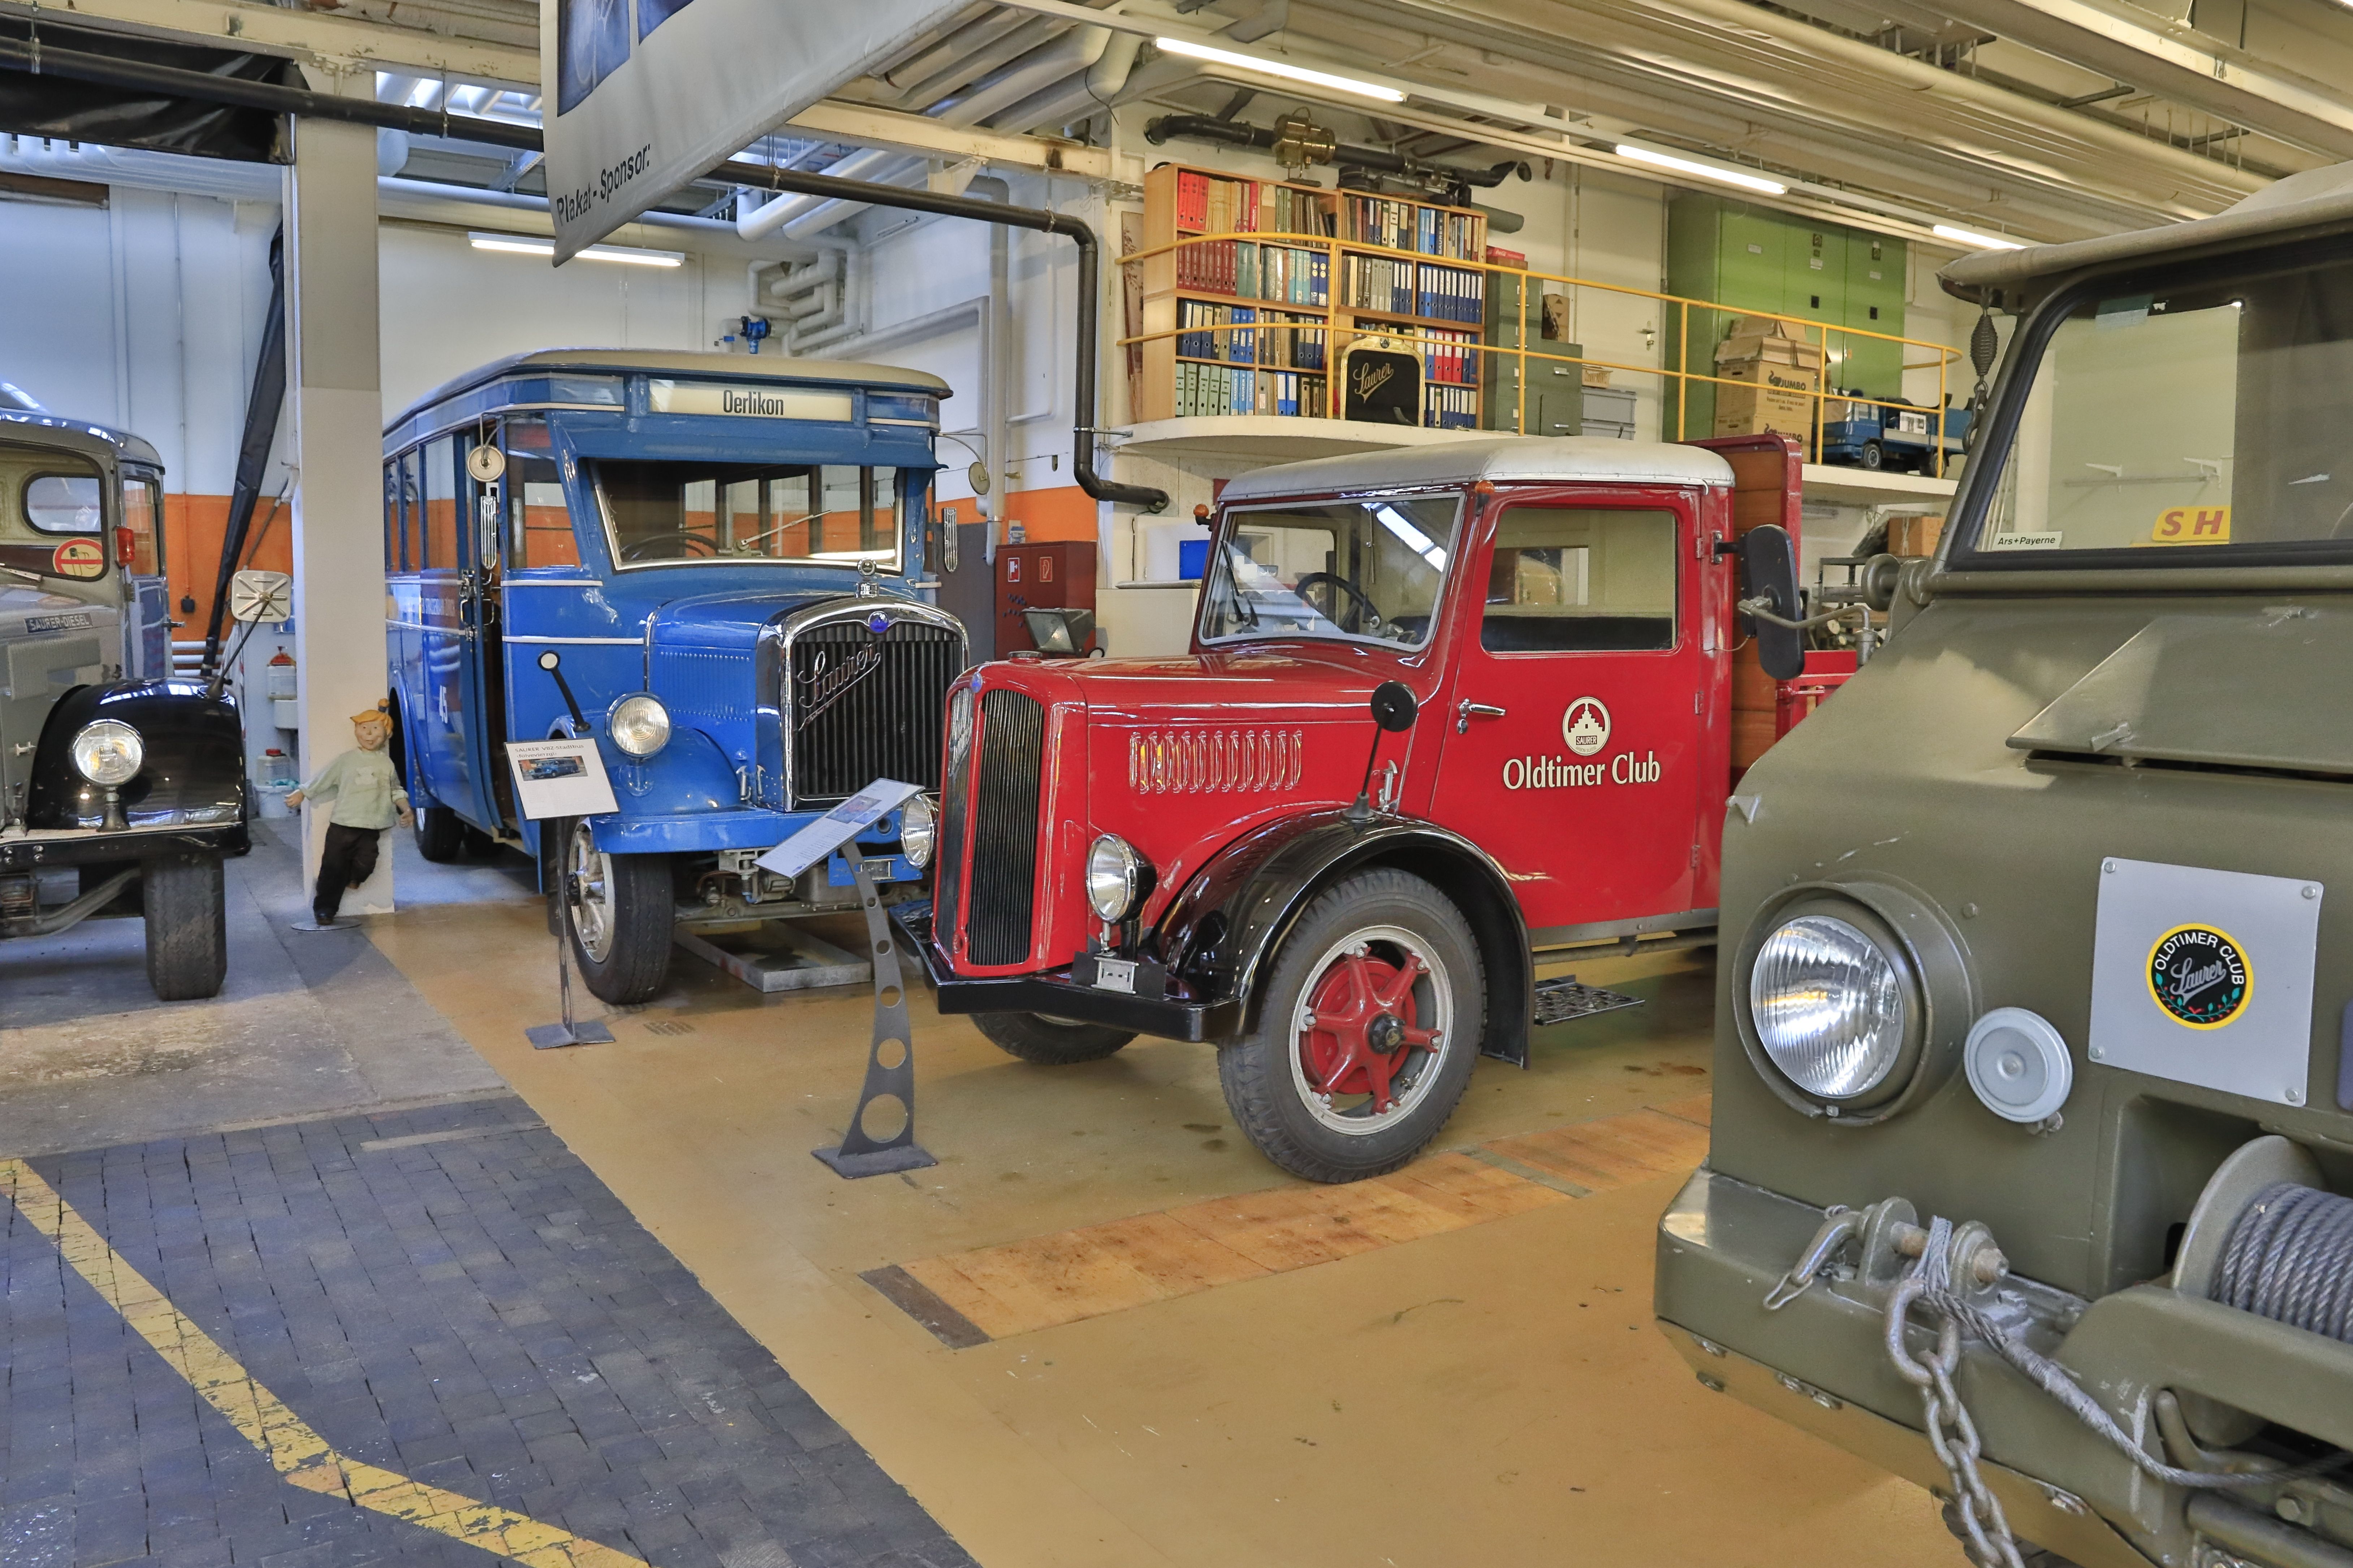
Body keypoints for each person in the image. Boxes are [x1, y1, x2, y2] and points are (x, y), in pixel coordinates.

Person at [286, 705, 413, 928]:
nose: (370, 735)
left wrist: (407, 809)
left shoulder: (387, 763)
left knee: (367, 861)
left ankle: (354, 878)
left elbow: (396, 790)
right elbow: (324, 778)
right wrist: (303, 792)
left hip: (372, 826)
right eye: (364, 728)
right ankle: (325, 910)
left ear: (387, 735)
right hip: (343, 824)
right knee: (332, 868)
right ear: (357, 731)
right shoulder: (346, 760)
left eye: (376, 729)